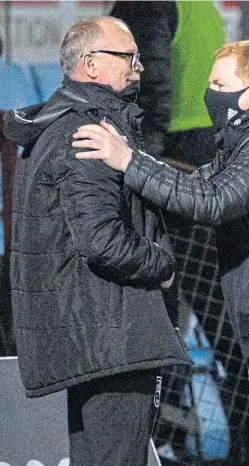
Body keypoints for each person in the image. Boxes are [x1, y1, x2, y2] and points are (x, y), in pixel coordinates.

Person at [72, 40, 249, 465]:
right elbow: (191, 191)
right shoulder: (247, 143)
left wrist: (128, 160)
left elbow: (212, 201)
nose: (210, 94)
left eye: (220, 83)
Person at [4, 16, 191, 466]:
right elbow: (101, 240)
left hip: (94, 331)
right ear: (89, 63)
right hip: (114, 335)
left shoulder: (73, 123)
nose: (140, 66)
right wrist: (162, 266)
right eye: (129, 56)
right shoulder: (89, 132)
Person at [109, 0, 225, 166]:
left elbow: (146, 84)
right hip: (205, 139)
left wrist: (143, 156)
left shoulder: (145, 5)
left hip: (168, 144)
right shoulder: (203, 5)